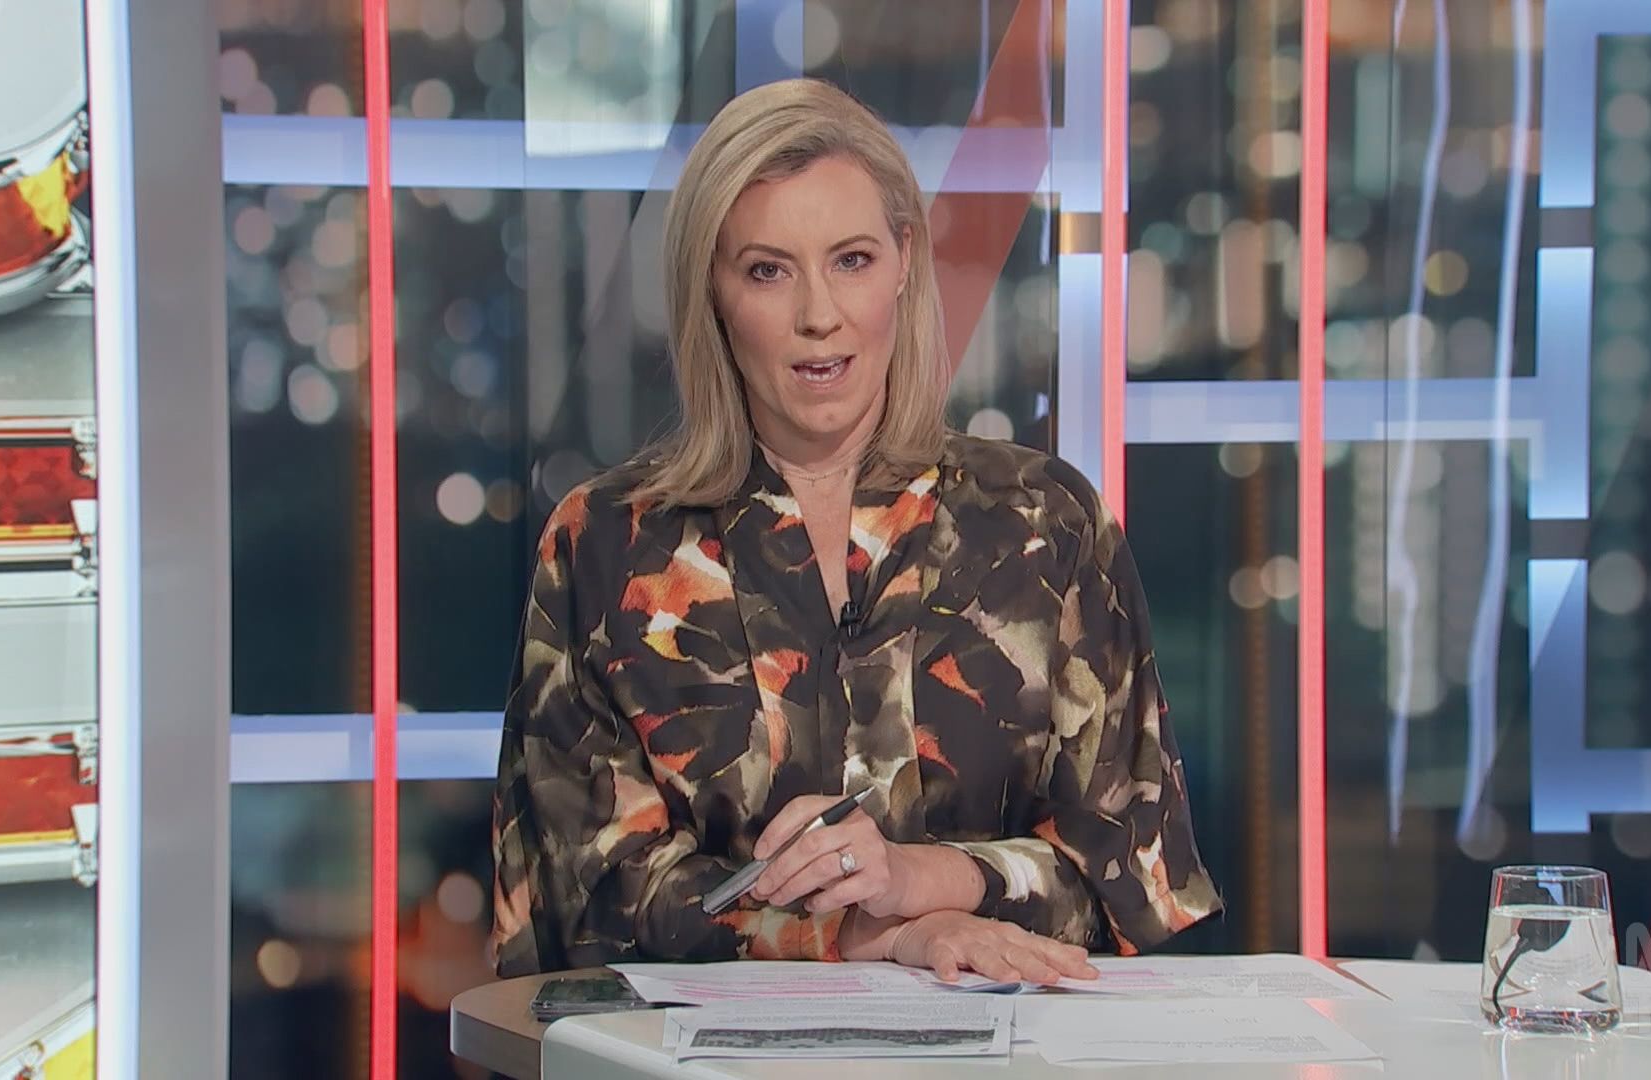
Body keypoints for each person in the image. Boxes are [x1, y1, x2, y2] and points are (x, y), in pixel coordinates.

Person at [491, 78, 1219, 984]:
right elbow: (587, 902)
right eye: (767, 270)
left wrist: (919, 881)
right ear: (712, 289)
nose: (818, 316)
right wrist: (866, 936)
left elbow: (1130, 878)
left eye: (852, 260)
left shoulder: (1045, 525)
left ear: (905, 260)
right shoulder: (605, 547)